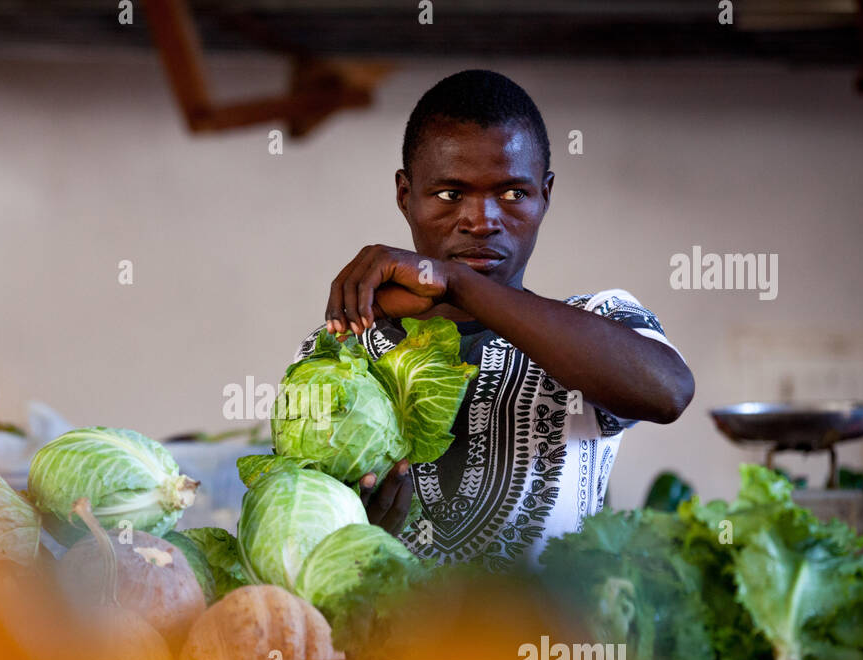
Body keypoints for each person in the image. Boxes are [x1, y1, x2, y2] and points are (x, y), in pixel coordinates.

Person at [294, 70, 695, 572]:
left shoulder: (598, 320)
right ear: (404, 195)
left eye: (511, 194)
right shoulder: (338, 351)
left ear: (545, 195)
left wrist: (457, 282)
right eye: (448, 195)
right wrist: (354, 535)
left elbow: (668, 391)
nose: (481, 220)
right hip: (388, 643)